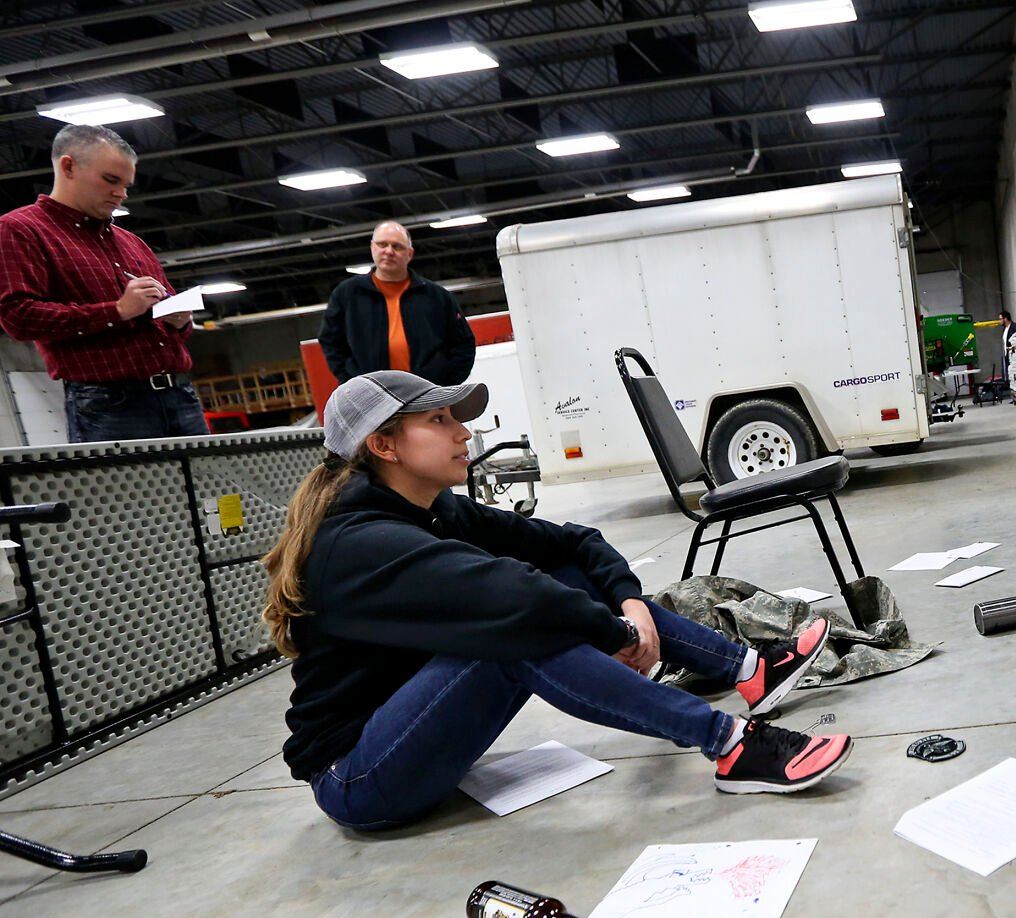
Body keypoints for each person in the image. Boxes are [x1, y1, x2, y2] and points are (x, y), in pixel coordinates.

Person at [263, 370, 854, 831]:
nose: (463, 432)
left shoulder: (435, 510)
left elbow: (573, 543)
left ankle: (750, 670)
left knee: (566, 575)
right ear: (384, 444)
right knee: (508, 638)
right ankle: (731, 744)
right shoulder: (357, 542)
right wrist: (618, 636)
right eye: (440, 420)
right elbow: (513, 597)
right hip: (358, 776)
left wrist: (630, 605)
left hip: (414, 726)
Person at [0, 123, 205, 442]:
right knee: (129, 494)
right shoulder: (21, 230)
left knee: (213, 493)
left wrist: (179, 321)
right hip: (110, 406)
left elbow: (168, 323)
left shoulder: (131, 243)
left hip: (180, 395)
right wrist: (118, 311)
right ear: (68, 166)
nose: (121, 194)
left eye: (126, 185)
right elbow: (18, 317)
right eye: (111, 180)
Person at [317, 221, 475, 386]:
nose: (389, 251)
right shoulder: (347, 294)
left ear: (410, 254)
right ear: (372, 247)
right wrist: (351, 380)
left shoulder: (437, 296)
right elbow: (330, 340)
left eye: (397, 246)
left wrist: (445, 383)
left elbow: (463, 343)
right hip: (372, 396)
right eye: (382, 244)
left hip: (428, 394)